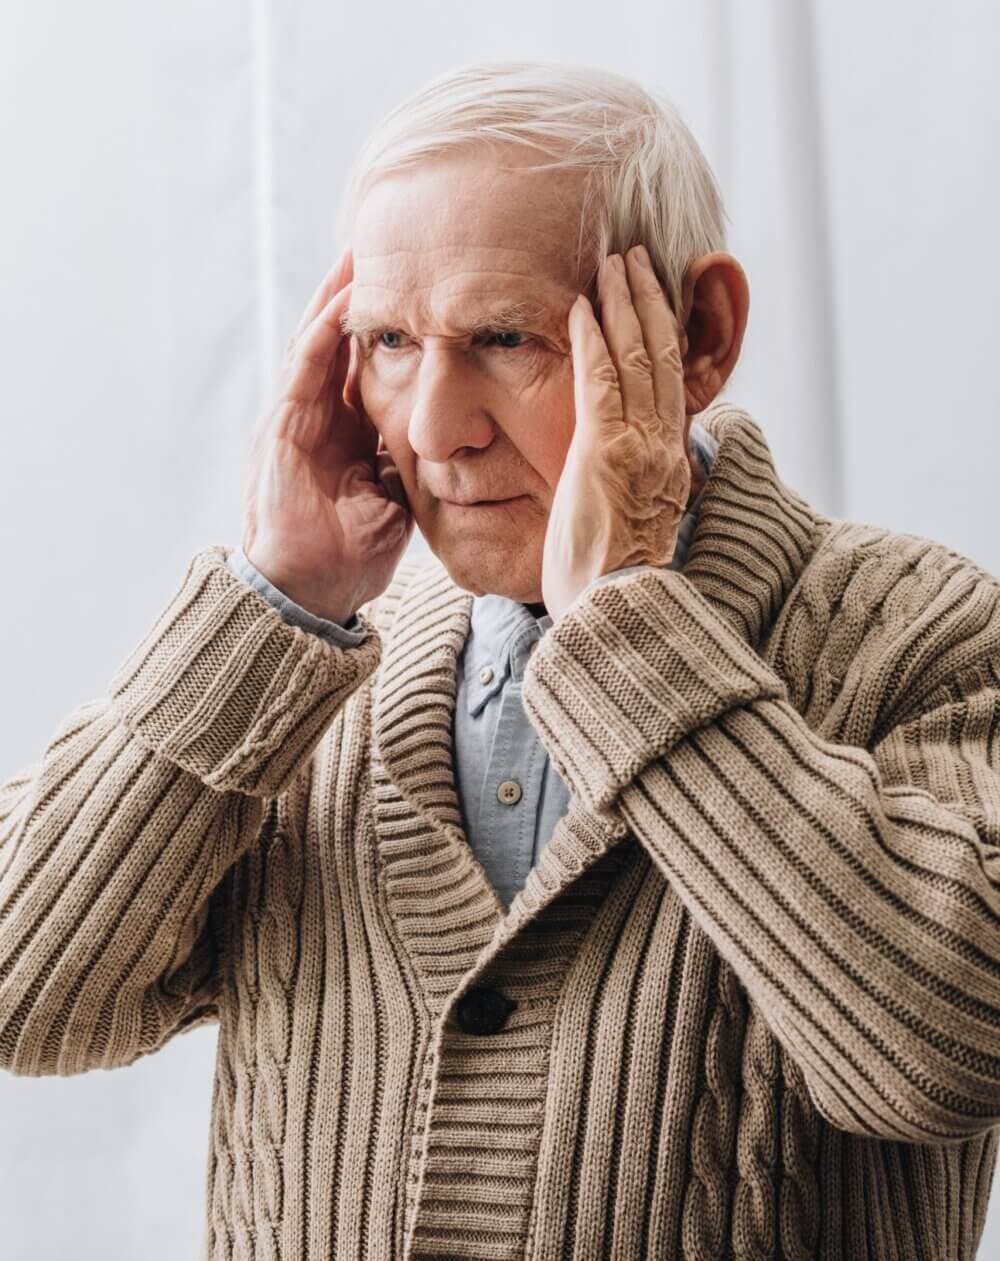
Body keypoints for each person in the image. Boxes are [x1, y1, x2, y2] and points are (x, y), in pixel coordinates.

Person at [1, 60, 998, 1260]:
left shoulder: (927, 634)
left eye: (504, 338)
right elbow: (22, 993)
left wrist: (626, 625)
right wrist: (274, 603)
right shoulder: (296, 677)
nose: (433, 429)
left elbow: (945, 1052)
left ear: (698, 336)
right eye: (388, 340)